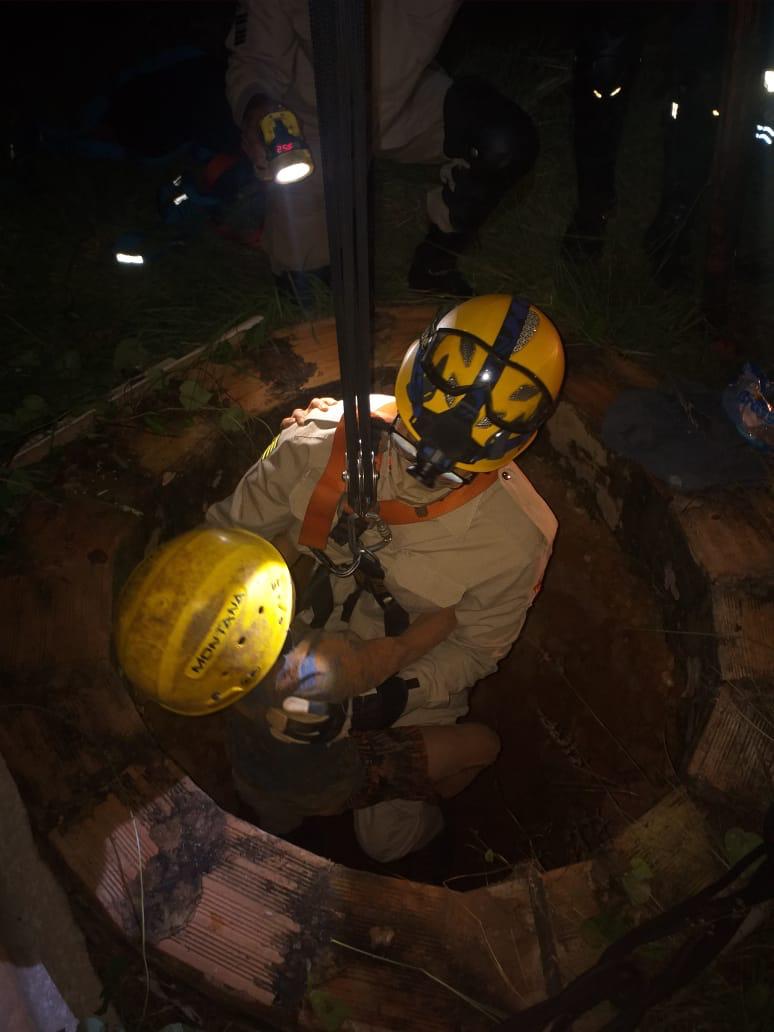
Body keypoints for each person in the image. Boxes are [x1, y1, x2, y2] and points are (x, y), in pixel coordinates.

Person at [204, 293, 565, 863]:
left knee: (387, 842)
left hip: (407, 677)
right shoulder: (316, 443)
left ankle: (436, 821)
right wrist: (249, 649)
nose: (427, 469)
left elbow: (474, 651)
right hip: (282, 644)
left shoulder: (515, 540)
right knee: (268, 802)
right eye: (411, 444)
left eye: (456, 471)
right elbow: (221, 547)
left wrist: (383, 700)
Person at [114, 525, 500, 838]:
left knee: (277, 818)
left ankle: (281, 835)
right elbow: (402, 649)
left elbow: (275, 549)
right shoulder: (319, 666)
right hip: (333, 780)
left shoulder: (211, 679)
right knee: (484, 744)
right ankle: (434, 815)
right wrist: (471, 599)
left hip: (254, 770)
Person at [225, 0, 539, 298]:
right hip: (314, 125)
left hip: (404, 102)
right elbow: (255, 59)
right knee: (310, 300)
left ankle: (435, 261)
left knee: (502, 143)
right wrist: (256, 105)